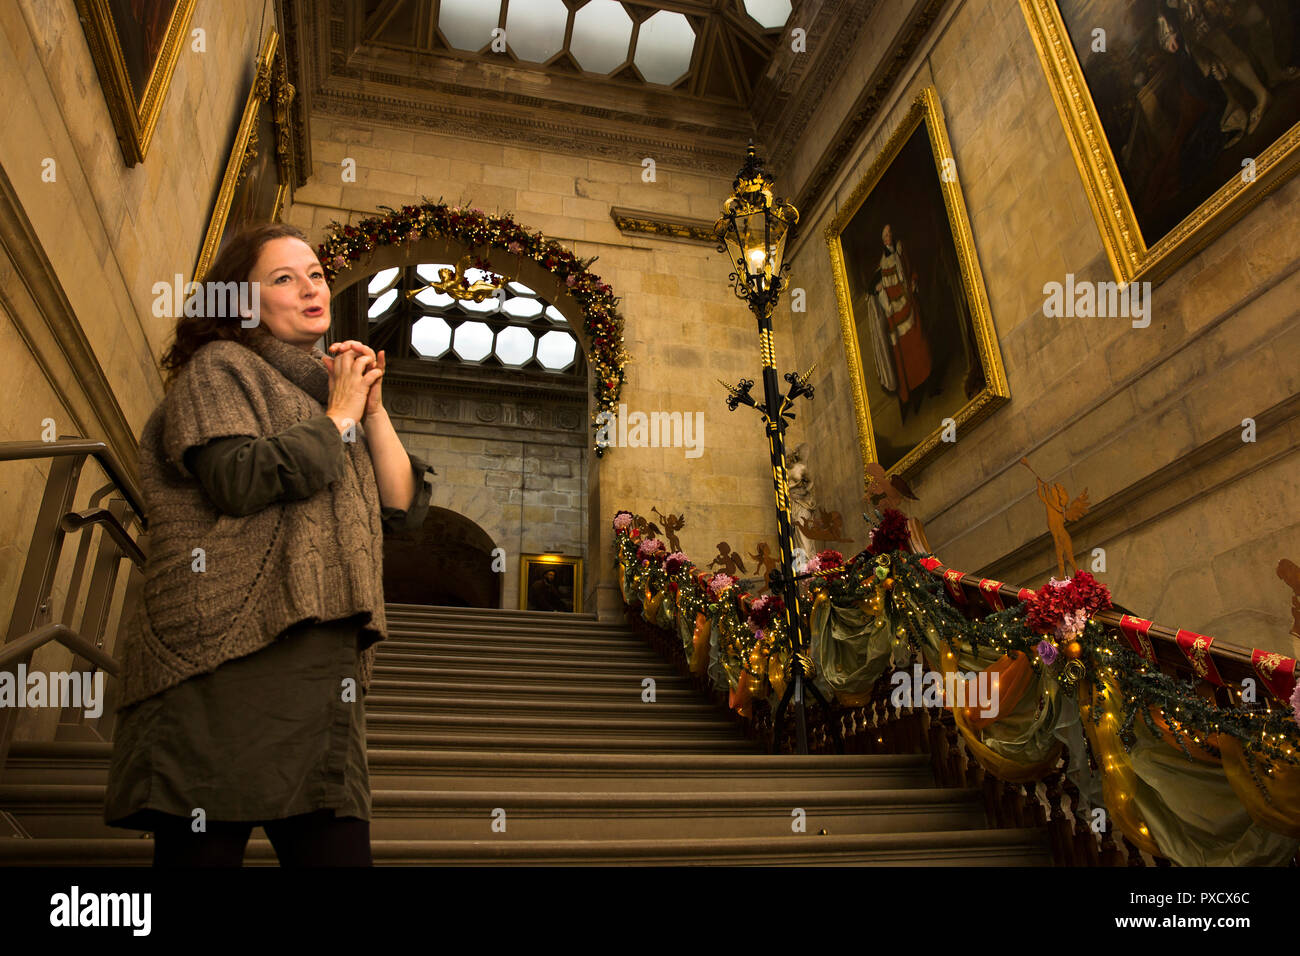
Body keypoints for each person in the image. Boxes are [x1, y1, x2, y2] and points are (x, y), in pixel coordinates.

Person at [102, 222, 434, 866]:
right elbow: (240, 479)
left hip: (321, 670)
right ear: (240, 302)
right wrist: (338, 415)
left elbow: (399, 504)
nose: (311, 288)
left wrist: (370, 407)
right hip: (224, 660)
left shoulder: (326, 393)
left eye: (315, 273)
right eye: (283, 278)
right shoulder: (219, 369)